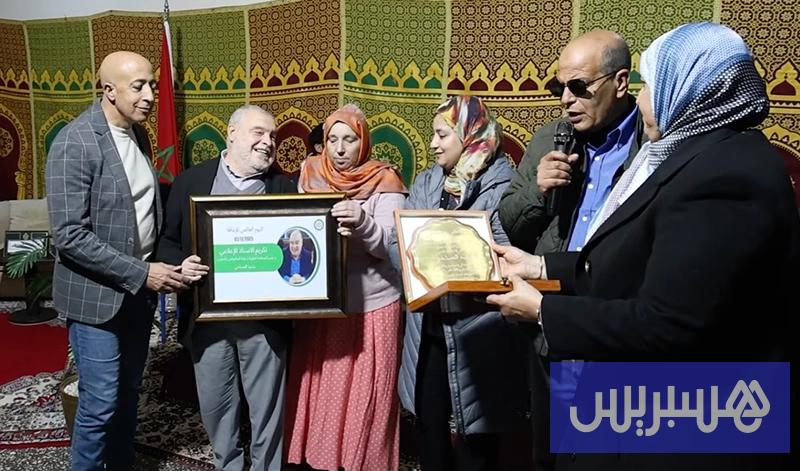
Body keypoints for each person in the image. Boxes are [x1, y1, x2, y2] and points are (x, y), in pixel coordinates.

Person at [487, 22, 797, 471]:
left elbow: (669, 323)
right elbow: (636, 255)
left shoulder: (724, 175)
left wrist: (541, 310)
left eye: (650, 86)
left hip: (690, 416)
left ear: (689, 88)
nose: (644, 99)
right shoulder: (701, 155)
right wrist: (541, 267)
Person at [496, 30, 648, 469]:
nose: (566, 99)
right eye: (559, 87)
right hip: (550, 325)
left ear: (621, 83)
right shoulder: (550, 139)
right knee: (552, 453)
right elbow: (510, 223)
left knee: (607, 453)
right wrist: (538, 191)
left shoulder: (652, 144)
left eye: (579, 87)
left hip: (615, 328)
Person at [45, 51, 190, 470]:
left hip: (136, 297)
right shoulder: (75, 142)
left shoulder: (138, 135)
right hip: (95, 299)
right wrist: (143, 273)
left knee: (128, 392)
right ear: (109, 90)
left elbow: (139, 211)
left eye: (152, 86)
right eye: (138, 86)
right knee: (101, 402)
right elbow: (70, 236)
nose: (150, 96)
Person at [156, 104, 296, 471]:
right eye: (259, 133)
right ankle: (228, 465)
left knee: (267, 410)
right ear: (231, 134)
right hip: (207, 321)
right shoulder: (191, 181)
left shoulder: (285, 187)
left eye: (273, 136)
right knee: (217, 407)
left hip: (264, 324)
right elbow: (167, 241)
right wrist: (180, 265)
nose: (268, 142)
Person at [394, 96, 529, 471]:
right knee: (429, 422)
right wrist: (417, 256)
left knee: (477, 433)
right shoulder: (427, 181)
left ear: (471, 135)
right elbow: (398, 244)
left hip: (478, 328)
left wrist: (453, 245)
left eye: (441, 135)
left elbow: (506, 251)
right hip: (427, 327)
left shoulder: (504, 184)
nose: (433, 144)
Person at [285, 105, 408, 471]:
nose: (339, 148)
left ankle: (361, 461)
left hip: (373, 303)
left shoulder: (385, 179)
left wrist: (363, 221)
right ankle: (319, 459)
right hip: (324, 300)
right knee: (324, 385)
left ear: (363, 142)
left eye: (349, 140)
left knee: (365, 392)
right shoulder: (310, 172)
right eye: (332, 139)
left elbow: (390, 248)